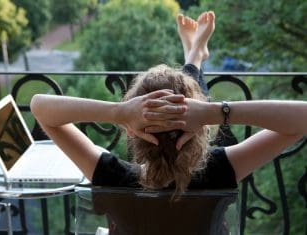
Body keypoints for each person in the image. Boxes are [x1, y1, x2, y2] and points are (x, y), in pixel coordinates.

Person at [30, 11, 307, 199]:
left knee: (184, 91)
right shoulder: (221, 170)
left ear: (131, 131)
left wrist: (118, 112)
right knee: (187, 92)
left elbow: (40, 106)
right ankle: (195, 54)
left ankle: (195, 55)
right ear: (201, 130)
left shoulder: (111, 175)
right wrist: (213, 112)